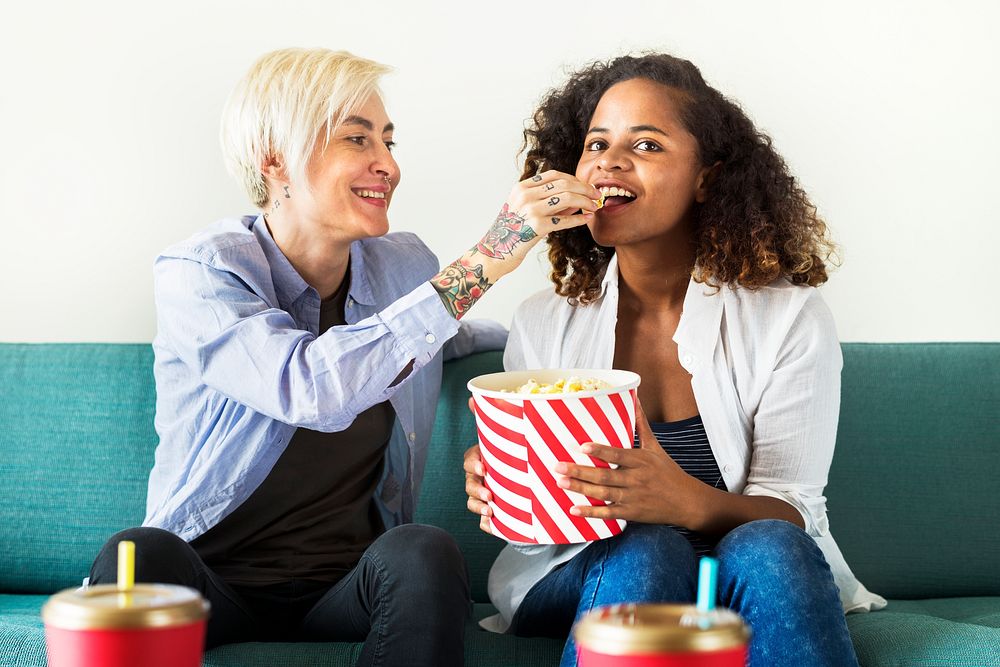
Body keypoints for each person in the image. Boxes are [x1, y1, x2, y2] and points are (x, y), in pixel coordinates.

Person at [87, 48, 601, 667]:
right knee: (136, 555)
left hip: (345, 586)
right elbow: (311, 388)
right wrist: (492, 253)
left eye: (388, 140)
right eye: (357, 139)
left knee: (424, 549)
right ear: (274, 159)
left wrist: (586, 327)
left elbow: (449, 338)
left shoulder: (402, 266)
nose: (387, 165)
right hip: (210, 581)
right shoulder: (201, 274)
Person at [463, 53, 886, 667]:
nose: (609, 160)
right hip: (584, 571)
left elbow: (795, 509)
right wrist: (508, 484)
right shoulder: (545, 320)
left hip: (743, 574)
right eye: (596, 143)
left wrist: (685, 501)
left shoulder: (789, 318)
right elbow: (538, 525)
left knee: (772, 543)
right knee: (647, 549)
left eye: (648, 145)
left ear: (707, 178)